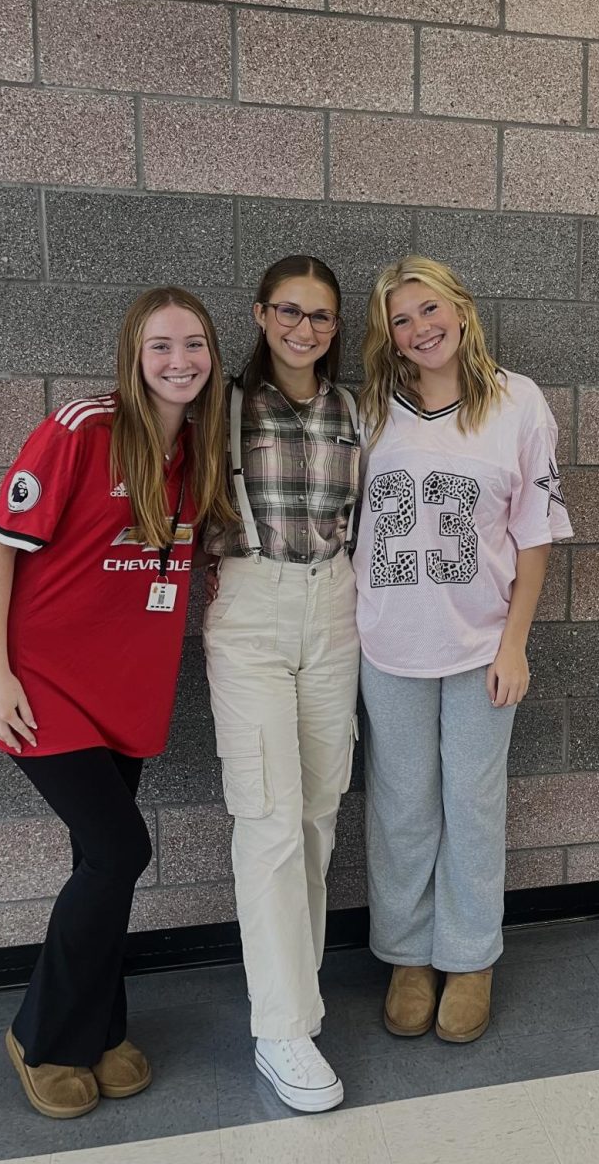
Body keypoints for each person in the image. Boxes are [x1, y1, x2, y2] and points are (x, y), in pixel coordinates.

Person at [0, 287, 233, 1118]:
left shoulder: (199, 447)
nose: (179, 361)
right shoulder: (81, 428)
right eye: (161, 345)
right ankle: (43, 1036)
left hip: (126, 694)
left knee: (100, 862)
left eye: (193, 344)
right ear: (134, 352)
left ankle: (102, 1030)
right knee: (120, 851)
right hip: (42, 688)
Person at [356, 256, 572, 1042]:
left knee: (473, 807)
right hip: (389, 644)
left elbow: (536, 536)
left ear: (461, 307)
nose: (419, 329)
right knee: (402, 806)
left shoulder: (519, 402)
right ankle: (409, 956)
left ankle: (471, 956)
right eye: (400, 320)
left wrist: (514, 646)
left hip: (482, 643)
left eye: (428, 309)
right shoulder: (371, 409)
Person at [202, 256, 360, 1113]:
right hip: (251, 607)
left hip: (336, 606)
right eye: (290, 313)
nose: (305, 329)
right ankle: (282, 1028)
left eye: (322, 317)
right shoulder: (222, 406)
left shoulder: (351, 410)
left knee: (316, 813)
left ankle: (295, 1000)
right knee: (267, 817)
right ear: (261, 315)